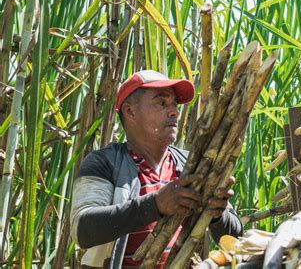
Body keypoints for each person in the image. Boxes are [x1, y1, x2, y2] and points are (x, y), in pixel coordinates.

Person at [70, 70, 243, 268]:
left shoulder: (191, 165)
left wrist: (218, 215)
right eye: (162, 103)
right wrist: (156, 205)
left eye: (174, 105)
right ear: (130, 112)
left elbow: (236, 238)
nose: (174, 112)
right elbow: (82, 229)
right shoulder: (104, 163)